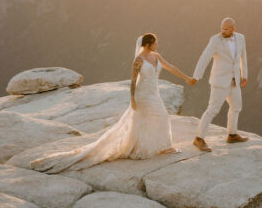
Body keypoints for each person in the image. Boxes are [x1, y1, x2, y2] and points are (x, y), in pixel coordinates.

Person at [30, 32, 196, 173]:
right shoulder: (138, 60)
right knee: (147, 121)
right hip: (143, 94)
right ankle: (145, 147)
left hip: (154, 93)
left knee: (162, 118)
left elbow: (171, 67)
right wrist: (132, 99)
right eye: (155, 43)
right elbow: (133, 81)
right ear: (148, 44)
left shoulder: (157, 57)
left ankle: (164, 145)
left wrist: (187, 78)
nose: (157, 45)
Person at [191, 17, 249, 152]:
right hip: (219, 81)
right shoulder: (215, 40)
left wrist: (244, 75)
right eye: (222, 28)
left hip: (234, 80)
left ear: (234, 29)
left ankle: (232, 134)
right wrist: (196, 76)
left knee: (236, 107)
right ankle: (198, 139)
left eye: (226, 29)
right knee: (212, 109)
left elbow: (243, 57)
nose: (223, 31)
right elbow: (204, 57)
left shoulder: (241, 38)